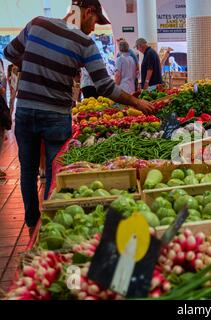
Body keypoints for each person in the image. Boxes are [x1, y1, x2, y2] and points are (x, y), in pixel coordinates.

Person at [3, 0, 154, 230]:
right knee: (56, 171)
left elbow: (9, 52)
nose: (94, 28)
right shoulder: (84, 43)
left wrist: (35, 64)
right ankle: (50, 224)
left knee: (28, 170)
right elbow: (104, 86)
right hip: (55, 115)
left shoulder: (36, 24)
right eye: (95, 21)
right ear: (87, 12)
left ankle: (32, 223)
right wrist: (136, 102)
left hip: (25, 111)